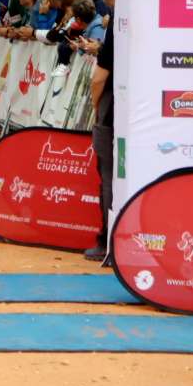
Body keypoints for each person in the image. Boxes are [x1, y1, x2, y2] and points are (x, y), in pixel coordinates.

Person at [86, 22, 114, 264]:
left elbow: (99, 79)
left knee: (107, 175)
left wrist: (96, 106)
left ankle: (106, 241)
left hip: (111, 108)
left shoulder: (116, 28)